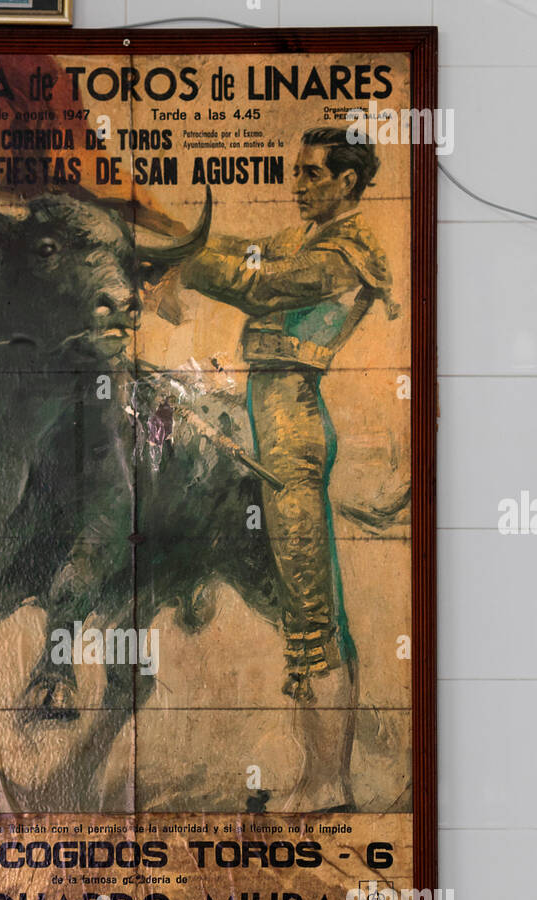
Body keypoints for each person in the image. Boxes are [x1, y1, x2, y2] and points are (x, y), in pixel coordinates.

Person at [179, 127, 397, 808]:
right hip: (269, 421)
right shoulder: (302, 238)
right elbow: (239, 251)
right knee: (299, 607)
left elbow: (254, 283)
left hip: (292, 433)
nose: (295, 183)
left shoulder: (342, 254)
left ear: (347, 183)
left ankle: (327, 781)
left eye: (310, 173)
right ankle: (318, 776)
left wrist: (170, 251)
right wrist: (157, 227)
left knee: (309, 613)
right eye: (294, 171)